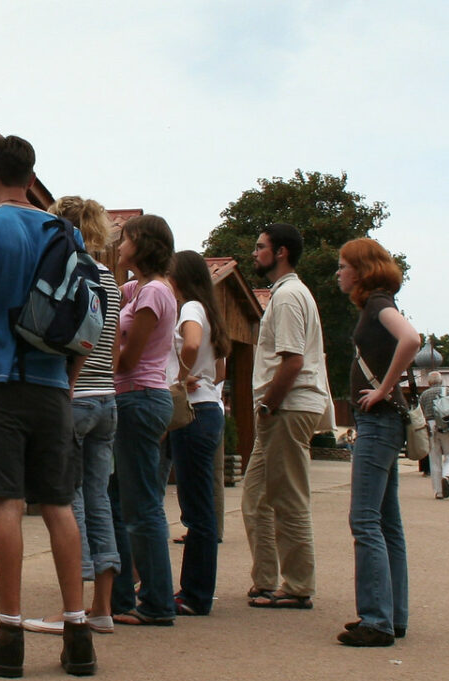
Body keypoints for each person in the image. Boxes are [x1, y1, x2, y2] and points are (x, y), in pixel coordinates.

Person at [0, 136, 96, 677]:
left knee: (7, 504)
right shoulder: (65, 230)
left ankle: (10, 633)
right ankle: (78, 632)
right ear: (32, 176)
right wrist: (67, 380)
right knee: (59, 504)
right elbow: (88, 313)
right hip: (50, 384)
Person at [22, 196, 121, 637]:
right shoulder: (112, 281)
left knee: (69, 499)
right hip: (108, 400)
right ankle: (103, 607)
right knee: (100, 500)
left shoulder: (68, 271)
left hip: (75, 395)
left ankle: (72, 608)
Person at [243, 223, 332, 610]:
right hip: (283, 407)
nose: (254, 253)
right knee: (255, 498)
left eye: (260, 246)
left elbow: (293, 361)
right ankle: (265, 580)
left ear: (280, 252)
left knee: (288, 497)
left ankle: (297, 585)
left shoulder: (290, 296)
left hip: (288, 406)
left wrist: (268, 405)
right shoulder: (288, 294)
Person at [335, 238, 419, 647]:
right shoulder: (381, 302)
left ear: (361, 270)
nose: (339, 273)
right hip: (389, 423)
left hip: (377, 422)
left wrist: (383, 389)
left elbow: (411, 339)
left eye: (343, 265)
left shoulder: (377, 305)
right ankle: (392, 614)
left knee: (365, 519)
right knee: (388, 522)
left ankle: (376, 619)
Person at [108, 214, 179, 627]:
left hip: (139, 397)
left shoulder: (153, 293)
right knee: (122, 501)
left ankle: (156, 602)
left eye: (126, 238)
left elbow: (128, 359)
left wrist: (92, 362)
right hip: (137, 399)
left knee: (142, 507)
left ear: (143, 244)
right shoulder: (139, 290)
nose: (119, 244)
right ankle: (127, 596)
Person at [168, 250, 229, 617]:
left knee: (196, 510)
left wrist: (179, 376)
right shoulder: (210, 311)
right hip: (210, 408)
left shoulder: (190, 308)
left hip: (192, 412)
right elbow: (220, 369)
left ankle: (194, 593)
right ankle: (196, 589)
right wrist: (200, 377)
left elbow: (189, 344)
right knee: (202, 505)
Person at [419, 371, 449, 499]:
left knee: (434, 458)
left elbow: (420, 412)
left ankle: (438, 491)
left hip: (431, 425)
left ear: (429, 382)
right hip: (447, 424)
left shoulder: (424, 395)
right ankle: (447, 475)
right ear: (441, 381)